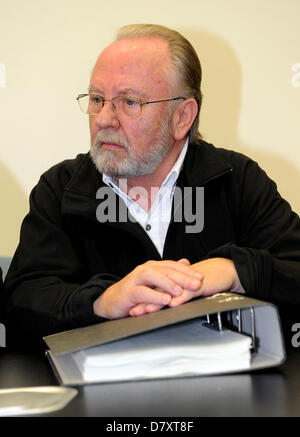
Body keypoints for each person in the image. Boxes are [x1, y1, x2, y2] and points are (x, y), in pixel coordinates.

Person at [2, 24, 300, 350]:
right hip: (103, 398)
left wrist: (233, 271)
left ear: (182, 117)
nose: (103, 118)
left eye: (128, 102)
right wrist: (101, 301)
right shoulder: (60, 190)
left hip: (227, 394)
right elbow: (20, 303)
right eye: (98, 99)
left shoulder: (236, 179)